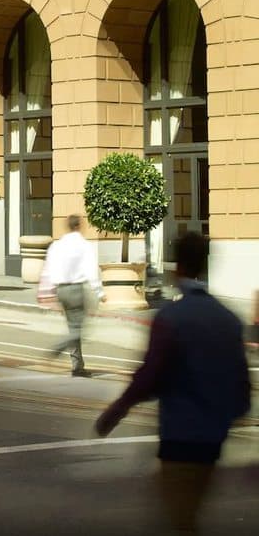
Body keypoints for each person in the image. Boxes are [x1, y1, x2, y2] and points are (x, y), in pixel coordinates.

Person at [95, 231, 251, 534]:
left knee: (180, 519)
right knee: (187, 514)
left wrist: (117, 410)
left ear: (177, 267)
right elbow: (241, 387)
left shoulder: (171, 318)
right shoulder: (228, 319)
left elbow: (149, 376)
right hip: (212, 440)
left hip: (179, 436)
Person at [38, 214, 105, 377]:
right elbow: (91, 270)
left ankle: (77, 366)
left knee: (73, 327)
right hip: (76, 290)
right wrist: (99, 292)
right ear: (79, 226)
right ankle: (59, 348)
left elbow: (48, 269)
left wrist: (48, 292)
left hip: (61, 289)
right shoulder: (83, 245)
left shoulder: (57, 245)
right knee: (79, 329)